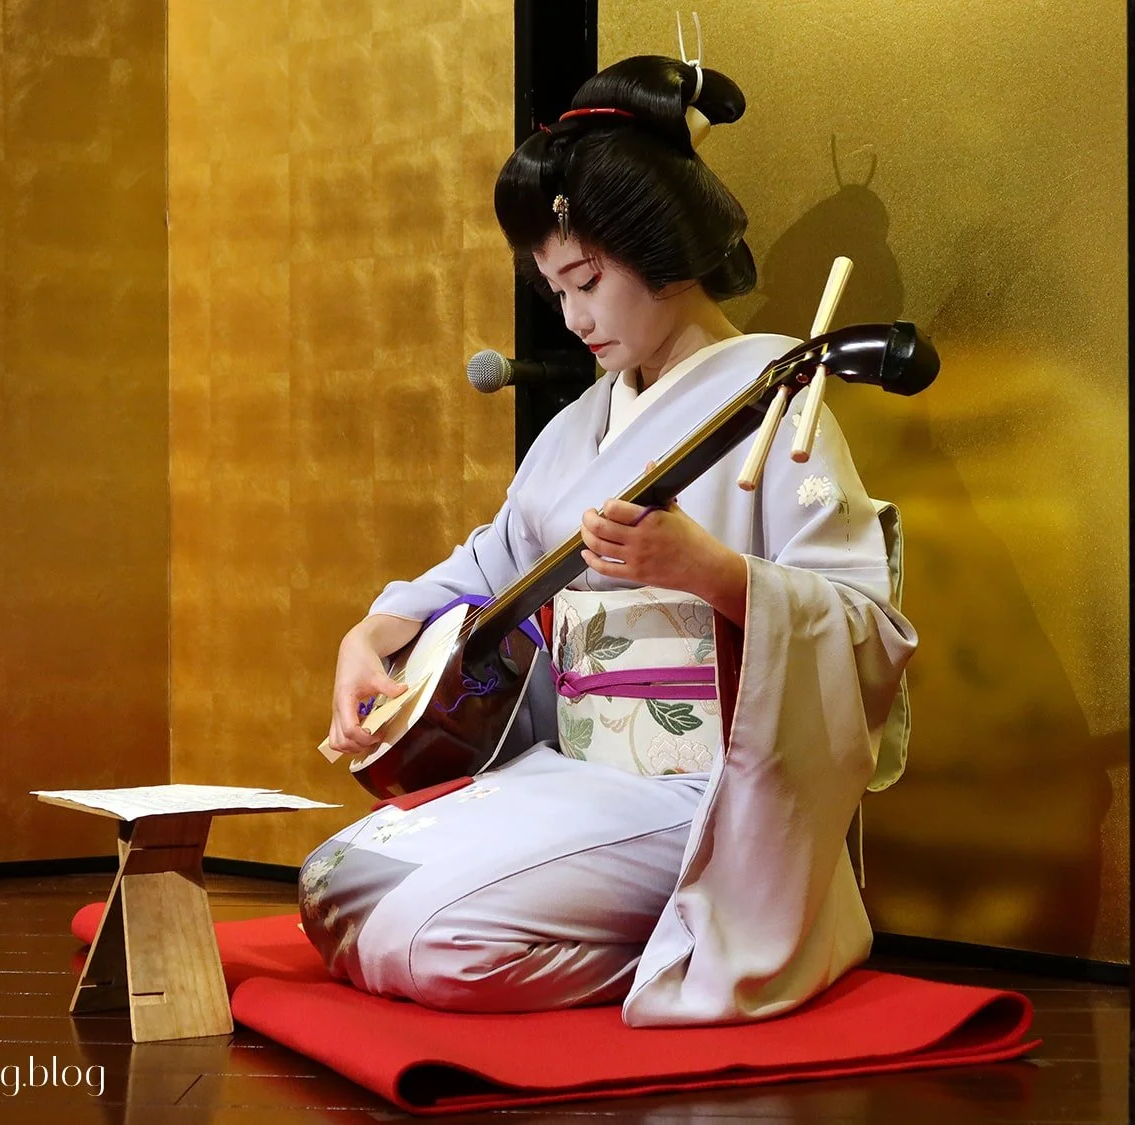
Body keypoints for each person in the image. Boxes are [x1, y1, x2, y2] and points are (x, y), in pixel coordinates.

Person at [301, 53, 916, 1027]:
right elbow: (488, 564)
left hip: (703, 791)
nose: (574, 316)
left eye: (586, 281)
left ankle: (697, 938)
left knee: (421, 931)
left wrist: (710, 571)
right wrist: (373, 632)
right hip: (575, 767)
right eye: (556, 291)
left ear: (659, 248)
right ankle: (661, 937)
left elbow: (862, 626)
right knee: (338, 879)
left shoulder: (776, 398)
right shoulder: (575, 427)